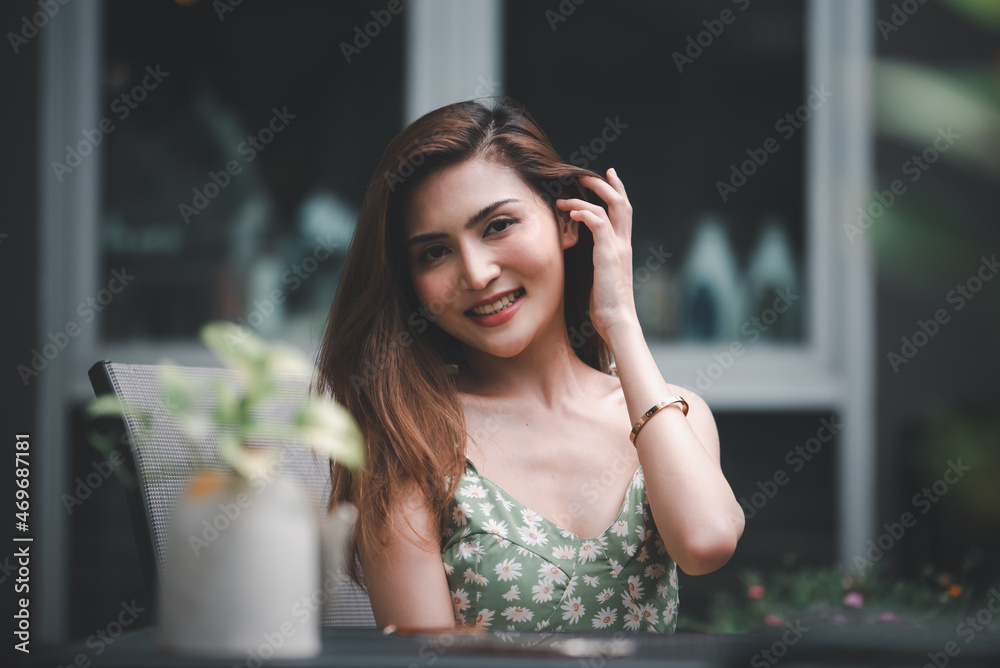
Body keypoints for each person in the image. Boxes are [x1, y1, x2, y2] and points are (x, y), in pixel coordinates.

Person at [314, 97, 744, 634]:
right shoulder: (411, 441)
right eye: (434, 253)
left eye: (497, 226)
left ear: (568, 223)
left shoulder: (672, 414)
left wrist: (621, 322)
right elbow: (422, 659)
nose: (475, 272)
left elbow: (706, 543)